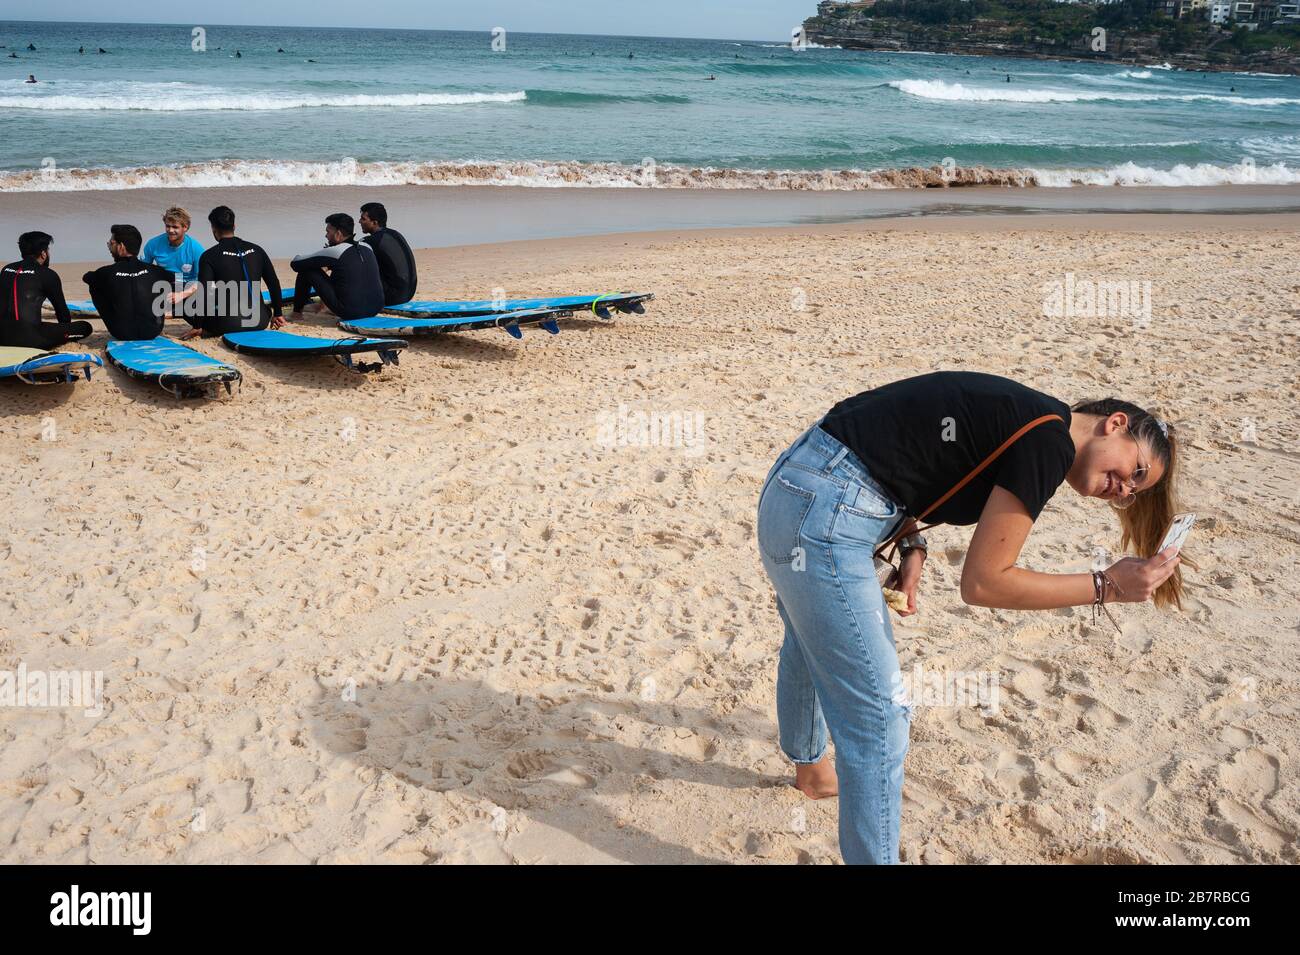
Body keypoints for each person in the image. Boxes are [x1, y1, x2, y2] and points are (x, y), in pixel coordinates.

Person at [756, 371, 1187, 865]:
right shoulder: (1050, 442)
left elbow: (900, 440)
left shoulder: (1033, 416)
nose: (1125, 492)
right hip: (826, 516)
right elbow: (984, 582)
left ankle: (810, 769)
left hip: (796, 487)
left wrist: (911, 540)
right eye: (1136, 470)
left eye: (1136, 491)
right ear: (1115, 424)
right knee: (880, 718)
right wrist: (1107, 586)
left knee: (808, 641)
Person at [182, 205, 283, 339]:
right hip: (260, 321)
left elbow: (204, 292)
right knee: (263, 307)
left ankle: (209, 330)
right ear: (234, 226)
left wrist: (197, 326)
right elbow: (273, 283)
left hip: (228, 325)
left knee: (184, 306)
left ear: (213, 228)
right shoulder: (257, 250)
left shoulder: (209, 256)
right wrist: (278, 313)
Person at [0, 231, 93, 349]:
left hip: (2, 337)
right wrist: (64, 332)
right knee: (85, 327)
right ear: (43, 253)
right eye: (48, 250)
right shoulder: (48, 274)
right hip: (29, 340)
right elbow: (62, 313)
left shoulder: (6, 269)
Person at [82, 225, 171, 340]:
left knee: (95, 285)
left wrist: (116, 281)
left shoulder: (106, 272)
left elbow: (86, 277)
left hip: (121, 333)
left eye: (111, 243)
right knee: (160, 283)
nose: (109, 246)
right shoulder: (155, 270)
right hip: (152, 330)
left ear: (121, 247)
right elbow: (179, 279)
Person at [288, 213, 383, 322]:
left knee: (307, 269)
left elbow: (296, 263)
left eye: (328, 232)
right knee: (344, 270)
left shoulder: (337, 250)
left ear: (338, 234)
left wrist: (319, 259)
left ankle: (296, 314)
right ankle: (322, 306)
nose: (326, 236)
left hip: (351, 312)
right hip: (376, 308)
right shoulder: (366, 246)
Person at [140, 206, 204, 309]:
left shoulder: (196, 249)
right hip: (165, 284)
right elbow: (142, 271)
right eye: (167, 226)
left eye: (175, 227)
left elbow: (201, 280)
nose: (170, 230)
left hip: (188, 287)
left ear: (185, 227)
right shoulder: (153, 244)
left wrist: (182, 295)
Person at [358, 202, 417, 307]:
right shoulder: (395, 234)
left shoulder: (370, 241)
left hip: (394, 297)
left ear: (374, 222)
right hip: (409, 292)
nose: (359, 222)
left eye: (363, 219)